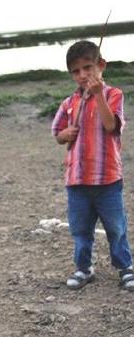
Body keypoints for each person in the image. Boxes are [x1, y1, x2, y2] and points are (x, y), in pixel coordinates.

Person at [51, 40, 134, 292]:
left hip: (107, 179)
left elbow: (111, 126)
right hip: (77, 181)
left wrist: (98, 95)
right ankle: (84, 267)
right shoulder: (69, 103)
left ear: (101, 66)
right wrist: (66, 133)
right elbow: (57, 133)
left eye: (88, 67)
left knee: (116, 227)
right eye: (76, 71)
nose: (83, 75)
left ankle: (125, 267)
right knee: (80, 229)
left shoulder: (113, 95)